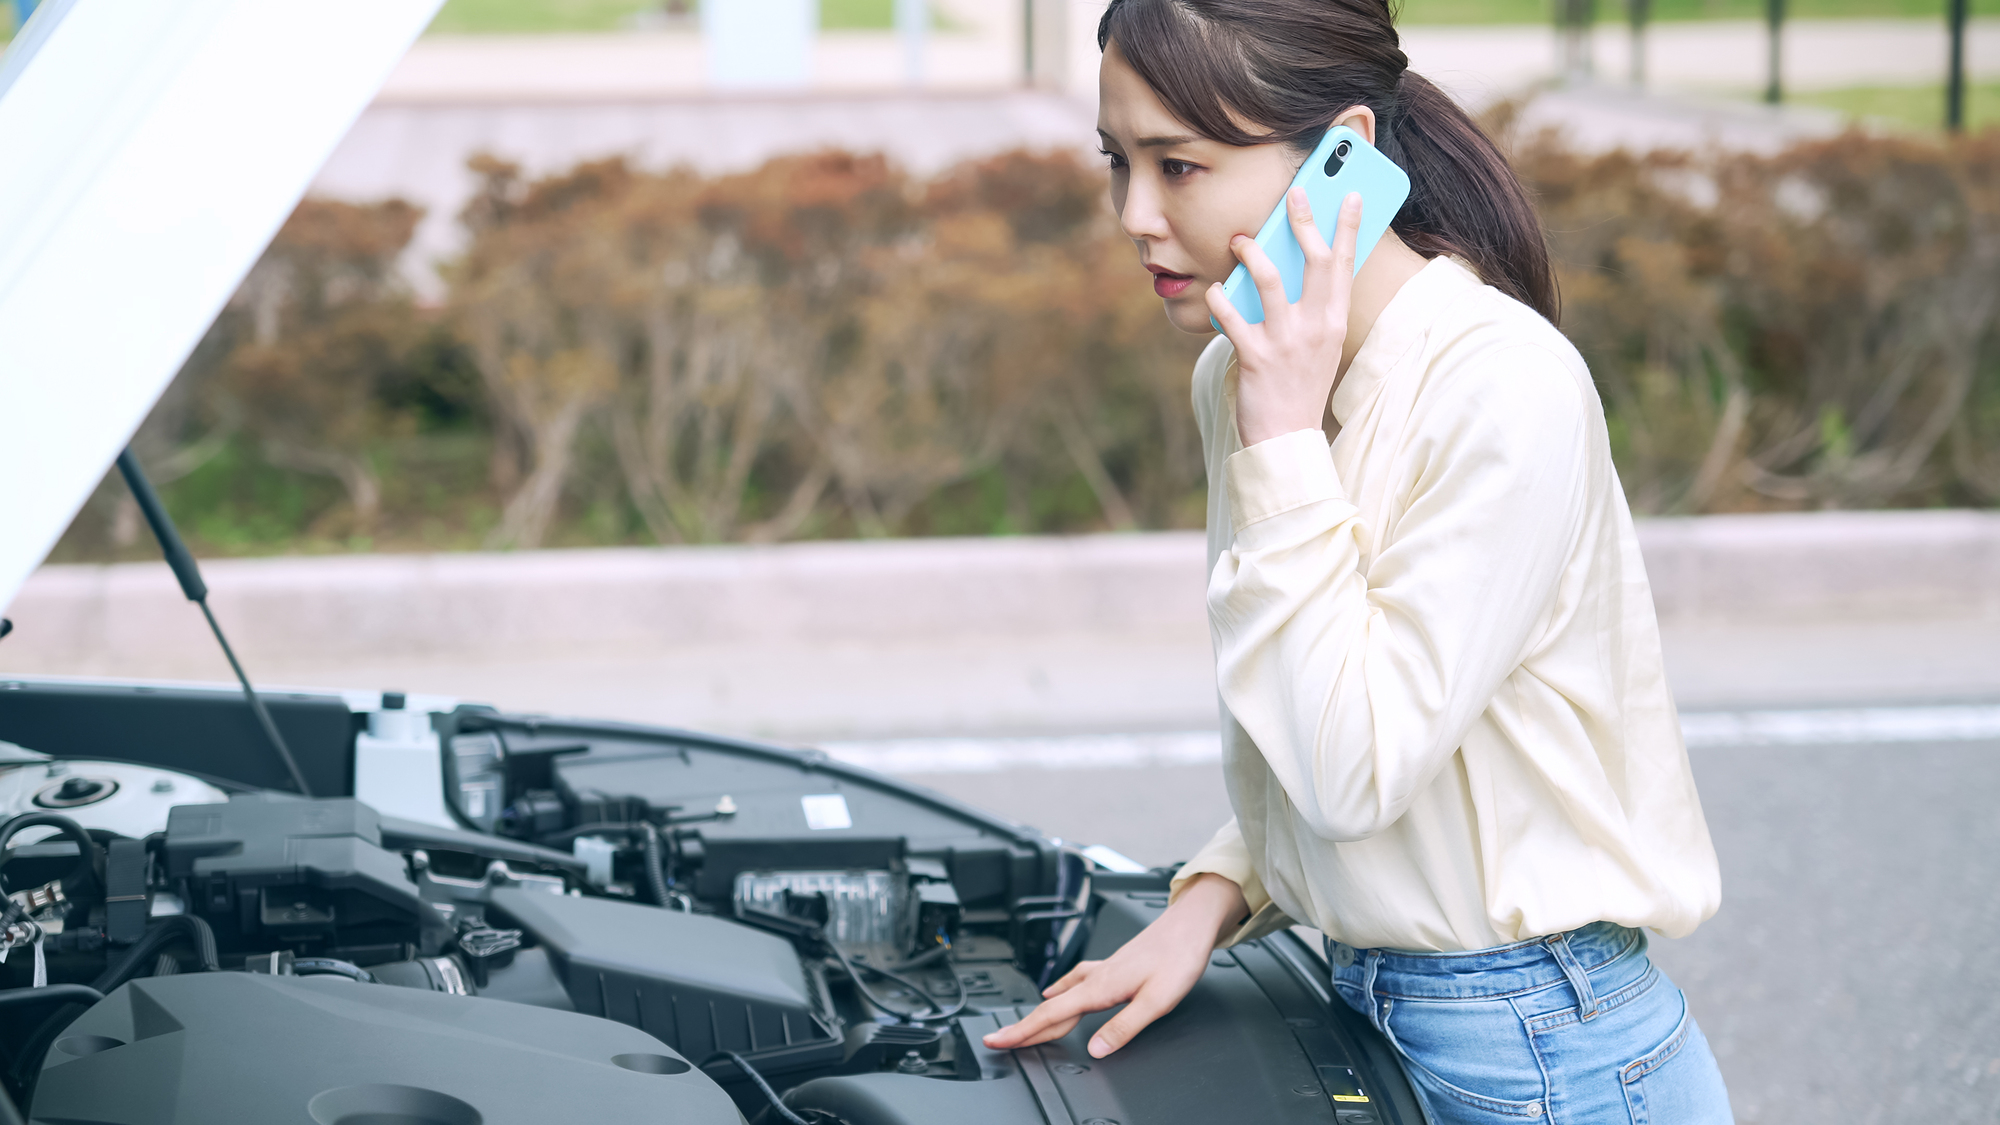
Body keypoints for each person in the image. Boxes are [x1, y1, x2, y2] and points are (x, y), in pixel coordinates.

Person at [981, 1, 1734, 1121]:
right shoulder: (1242, 375)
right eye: (1116, 159)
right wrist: (1207, 901)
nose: (1132, 213)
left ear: (1345, 154)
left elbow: (1350, 770)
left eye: (1177, 166)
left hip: (1540, 1056)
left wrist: (1281, 442)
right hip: (1364, 1003)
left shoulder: (1498, 382)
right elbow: (1329, 700)